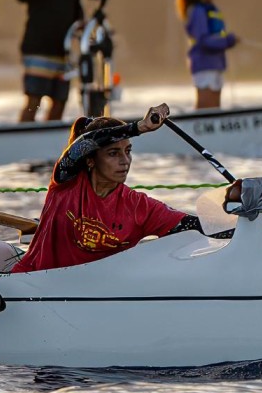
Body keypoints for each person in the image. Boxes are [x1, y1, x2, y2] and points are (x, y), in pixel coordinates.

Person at [18, 104, 199, 272]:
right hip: (32, 285)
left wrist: (227, 204)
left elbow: (196, 227)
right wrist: (138, 127)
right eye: (113, 153)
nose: (124, 161)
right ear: (90, 160)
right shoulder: (67, 181)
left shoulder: (138, 206)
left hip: (91, 296)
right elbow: (84, 143)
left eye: (127, 151)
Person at [15, 0, 82, 120]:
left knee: (60, 100)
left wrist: (84, 27)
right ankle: (23, 135)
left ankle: (48, 137)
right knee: (33, 100)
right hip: (38, 49)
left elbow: (77, 8)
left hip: (63, 51)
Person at [178, 0, 236, 109]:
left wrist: (230, 40)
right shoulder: (198, 11)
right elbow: (203, 40)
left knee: (215, 106)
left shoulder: (210, 9)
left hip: (216, 64)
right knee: (206, 105)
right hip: (204, 65)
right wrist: (227, 41)